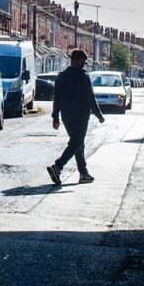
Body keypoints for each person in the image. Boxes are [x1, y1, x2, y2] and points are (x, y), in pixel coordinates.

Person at [47, 48, 105, 185]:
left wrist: (55, 117)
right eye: (83, 62)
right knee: (77, 142)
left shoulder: (61, 77)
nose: (84, 65)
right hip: (80, 115)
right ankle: (57, 166)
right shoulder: (83, 77)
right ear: (78, 60)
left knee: (78, 143)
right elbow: (90, 98)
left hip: (66, 115)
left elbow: (57, 99)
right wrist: (99, 115)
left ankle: (83, 174)